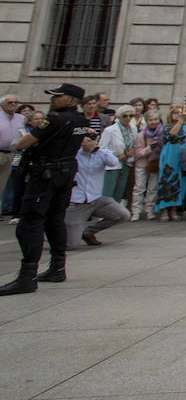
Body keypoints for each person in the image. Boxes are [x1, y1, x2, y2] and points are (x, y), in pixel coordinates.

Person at [0, 83, 88, 295]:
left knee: (30, 223)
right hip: (66, 173)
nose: (52, 99)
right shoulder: (81, 120)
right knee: (55, 220)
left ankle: (27, 276)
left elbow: (24, 142)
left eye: (58, 96)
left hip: (45, 174)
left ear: (71, 100)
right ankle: (57, 267)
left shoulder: (55, 119)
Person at [65, 131, 130, 251]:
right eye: (87, 140)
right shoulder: (74, 153)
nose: (90, 143)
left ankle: (88, 232)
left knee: (123, 215)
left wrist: (98, 149)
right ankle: (45, 234)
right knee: (71, 245)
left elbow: (114, 162)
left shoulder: (102, 153)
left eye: (93, 140)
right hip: (77, 201)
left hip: (96, 199)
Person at [154, 107, 186, 221]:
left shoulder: (185, 127)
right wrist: (181, 121)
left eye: (180, 113)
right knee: (167, 181)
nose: (178, 115)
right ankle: (164, 210)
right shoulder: (166, 127)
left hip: (181, 158)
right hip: (169, 157)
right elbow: (172, 133)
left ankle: (174, 210)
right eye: (175, 113)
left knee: (179, 183)